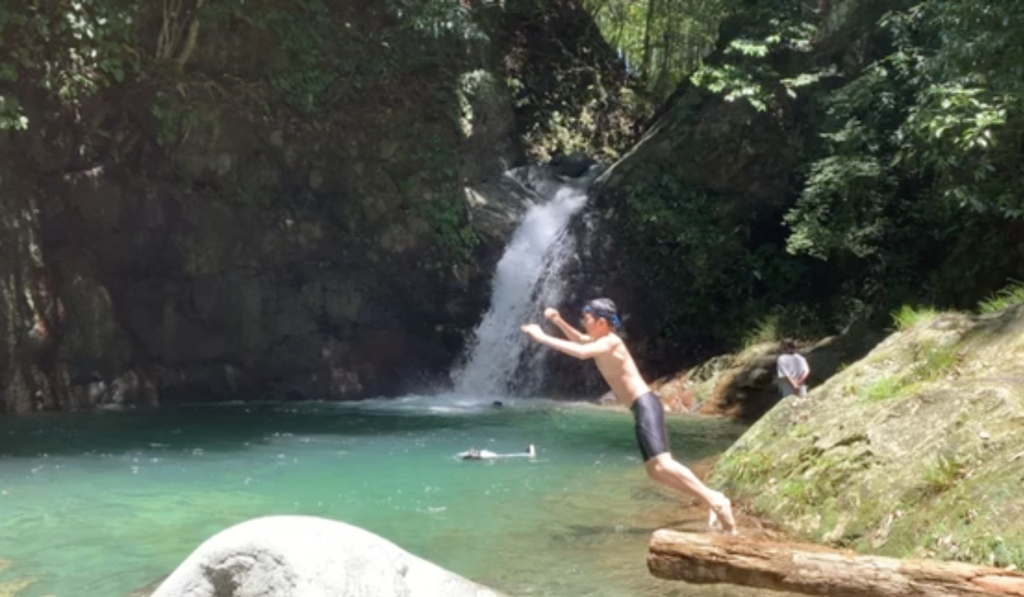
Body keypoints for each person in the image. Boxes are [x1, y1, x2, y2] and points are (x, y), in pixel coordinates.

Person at [520, 299, 738, 534]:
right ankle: (711, 499)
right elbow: (581, 341)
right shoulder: (601, 340)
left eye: (587, 319)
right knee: (655, 471)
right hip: (639, 408)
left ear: (601, 322)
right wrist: (558, 321)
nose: (583, 323)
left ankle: (716, 501)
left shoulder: (611, 342)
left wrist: (542, 337)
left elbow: (582, 352)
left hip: (645, 404)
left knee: (663, 464)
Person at [459, 444, 537, 461]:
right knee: (506, 456)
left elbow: (473, 455)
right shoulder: (473, 455)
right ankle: (528, 454)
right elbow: (474, 455)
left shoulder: (470, 455)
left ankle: (527, 454)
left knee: (505, 456)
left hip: (484, 455)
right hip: (485, 455)